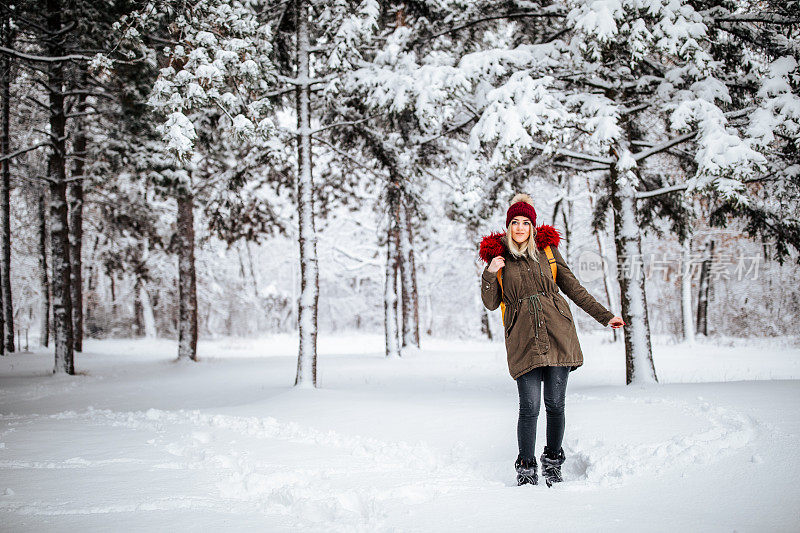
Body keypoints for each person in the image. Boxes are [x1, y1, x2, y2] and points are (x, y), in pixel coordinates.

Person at [479, 193, 625, 486]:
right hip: (523, 339)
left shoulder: (547, 252)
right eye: (515, 222)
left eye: (526, 222)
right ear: (508, 227)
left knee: (555, 404)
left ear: (533, 227)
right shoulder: (499, 258)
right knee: (529, 406)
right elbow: (491, 303)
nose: (520, 227)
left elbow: (574, 288)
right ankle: (525, 467)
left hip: (558, 333)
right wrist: (490, 273)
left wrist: (605, 316)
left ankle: (553, 461)